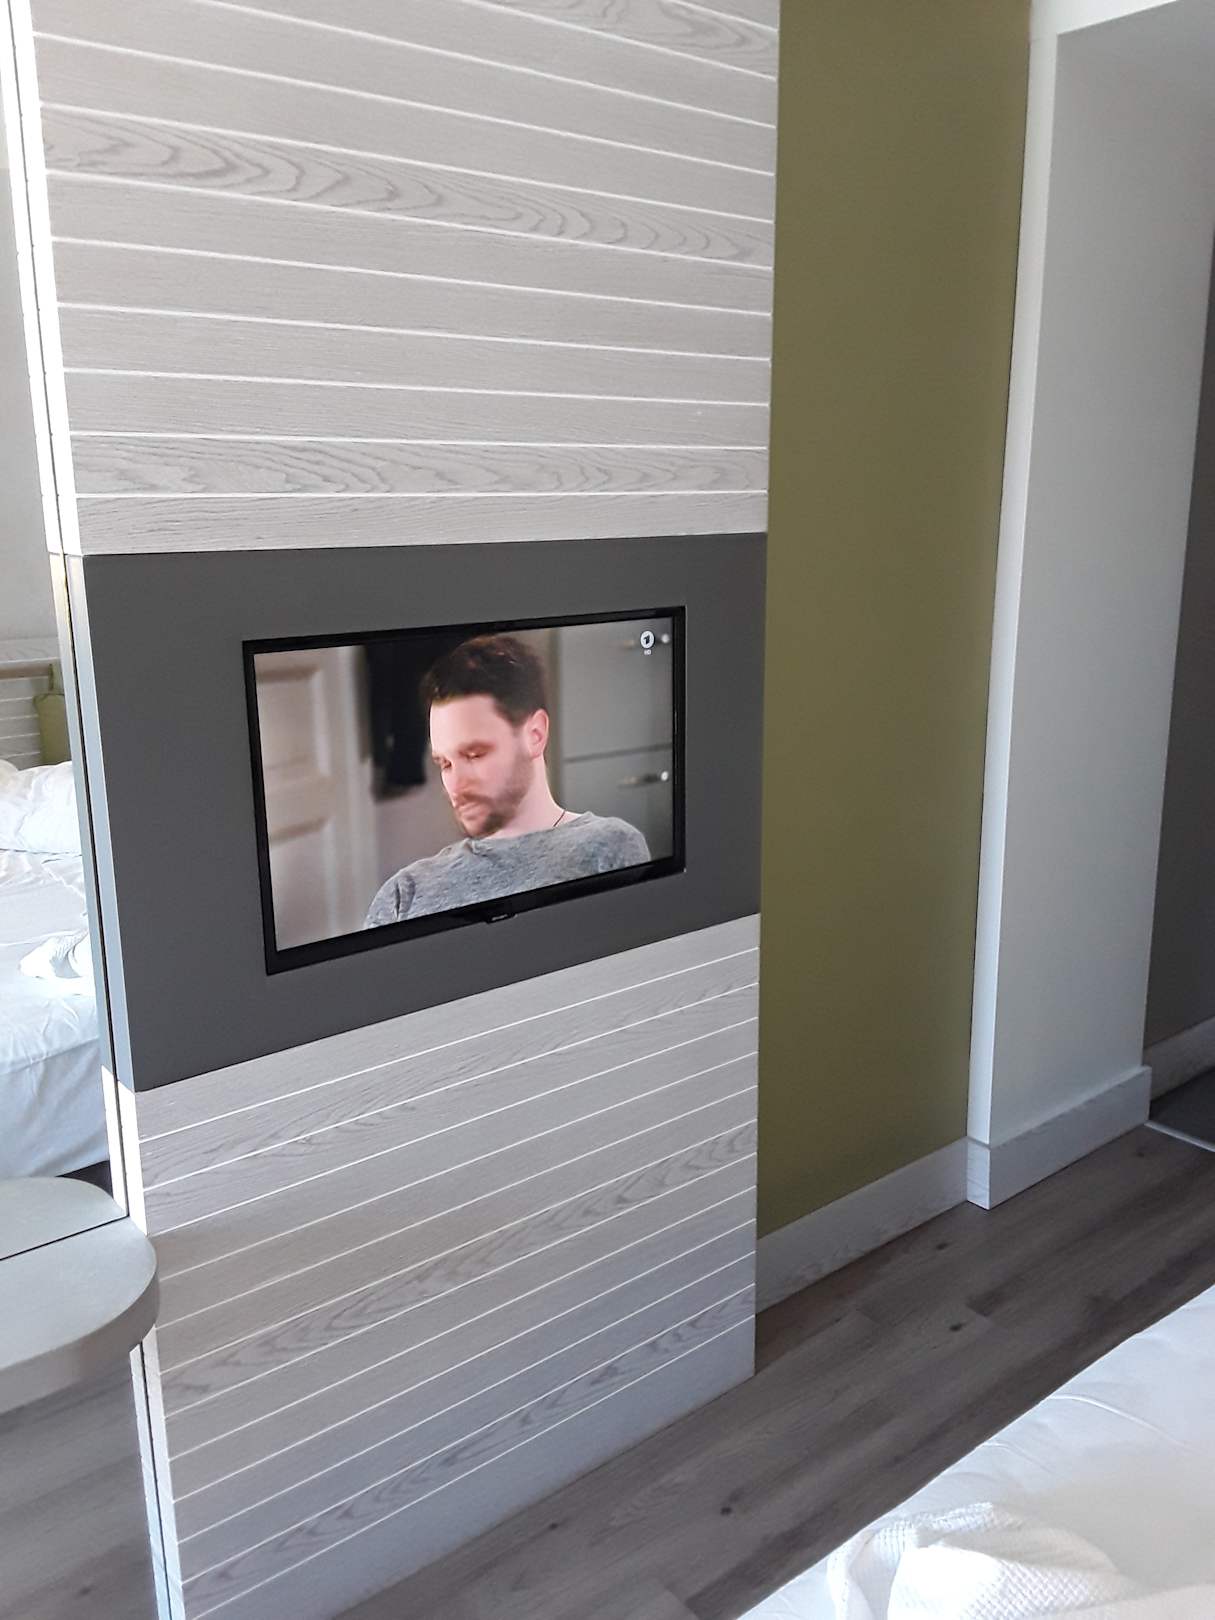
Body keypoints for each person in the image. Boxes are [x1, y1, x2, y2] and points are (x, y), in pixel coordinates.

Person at [365, 633, 650, 926]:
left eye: (474, 755)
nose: (455, 785)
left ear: (535, 735)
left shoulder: (609, 847)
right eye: (445, 763)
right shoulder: (404, 893)